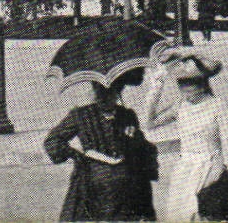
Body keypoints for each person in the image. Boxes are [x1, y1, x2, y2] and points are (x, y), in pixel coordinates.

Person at [148, 50, 228, 222]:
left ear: (202, 83)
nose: (184, 88)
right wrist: (157, 87)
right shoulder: (180, 105)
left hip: (210, 167)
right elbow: (150, 123)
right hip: (184, 169)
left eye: (190, 83)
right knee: (178, 214)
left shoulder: (219, 106)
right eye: (181, 83)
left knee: (205, 212)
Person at [43, 70, 158, 221]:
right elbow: (53, 140)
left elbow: (143, 147)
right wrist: (76, 154)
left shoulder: (127, 115)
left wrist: (134, 137)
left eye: (110, 93)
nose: (104, 97)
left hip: (128, 186)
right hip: (94, 183)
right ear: (94, 92)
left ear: (118, 92)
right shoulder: (81, 115)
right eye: (100, 92)